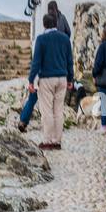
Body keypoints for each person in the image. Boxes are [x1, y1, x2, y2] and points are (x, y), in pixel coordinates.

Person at [28, 11, 74, 150]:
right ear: (55, 24)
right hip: (62, 78)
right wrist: (70, 78)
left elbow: (36, 62)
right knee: (58, 110)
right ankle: (57, 141)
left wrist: (31, 80)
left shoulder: (41, 39)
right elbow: (69, 61)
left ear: (44, 25)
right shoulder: (65, 38)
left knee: (47, 110)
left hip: (47, 78)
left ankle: (48, 140)